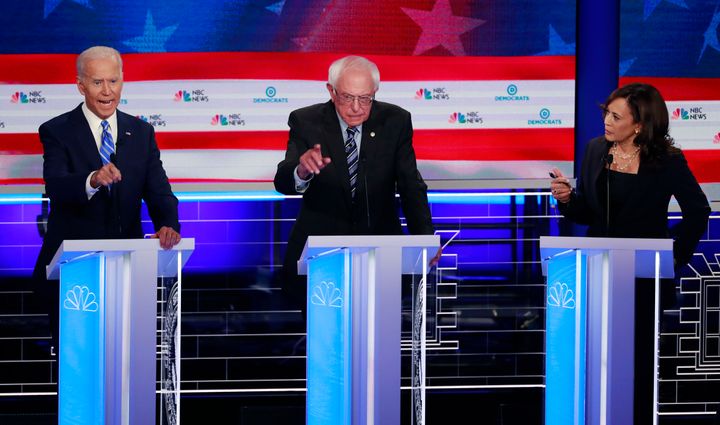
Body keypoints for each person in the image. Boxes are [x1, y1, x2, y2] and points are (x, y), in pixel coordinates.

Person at [550, 82, 711, 424]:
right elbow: (590, 213)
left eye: (615, 116)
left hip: (643, 278)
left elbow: (698, 211)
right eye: (606, 113)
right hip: (595, 272)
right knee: (592, 357)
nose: (606, 121)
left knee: (637, 362)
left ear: (639, 124)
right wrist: (566, 200)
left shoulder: (666, 161)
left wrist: (672, 257)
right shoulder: (596, 150)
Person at [33, 46, 182, 355]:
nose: (107, 91)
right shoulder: (57, 130)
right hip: (74, 270)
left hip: (128, 268)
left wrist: (167, 224)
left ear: (122, 82)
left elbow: (158, 190)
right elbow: (57, 185)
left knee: (126, 359)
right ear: (80, 85)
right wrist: (92, 179)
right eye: (98, 82)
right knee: (79, 362)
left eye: (113, 81)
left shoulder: (140, 132)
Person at [274, 55, 439, 310]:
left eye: (365, 98)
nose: (356, 107)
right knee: (328, 337)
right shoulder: (306, 121)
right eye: (347, 97)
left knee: (379, 336)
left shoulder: (395, 121)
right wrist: (302, 171)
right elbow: (283, 180)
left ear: (375, 92)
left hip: (381, 250)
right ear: (331, 91)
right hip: (322, 254)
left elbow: (410, 186)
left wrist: (425, 238)